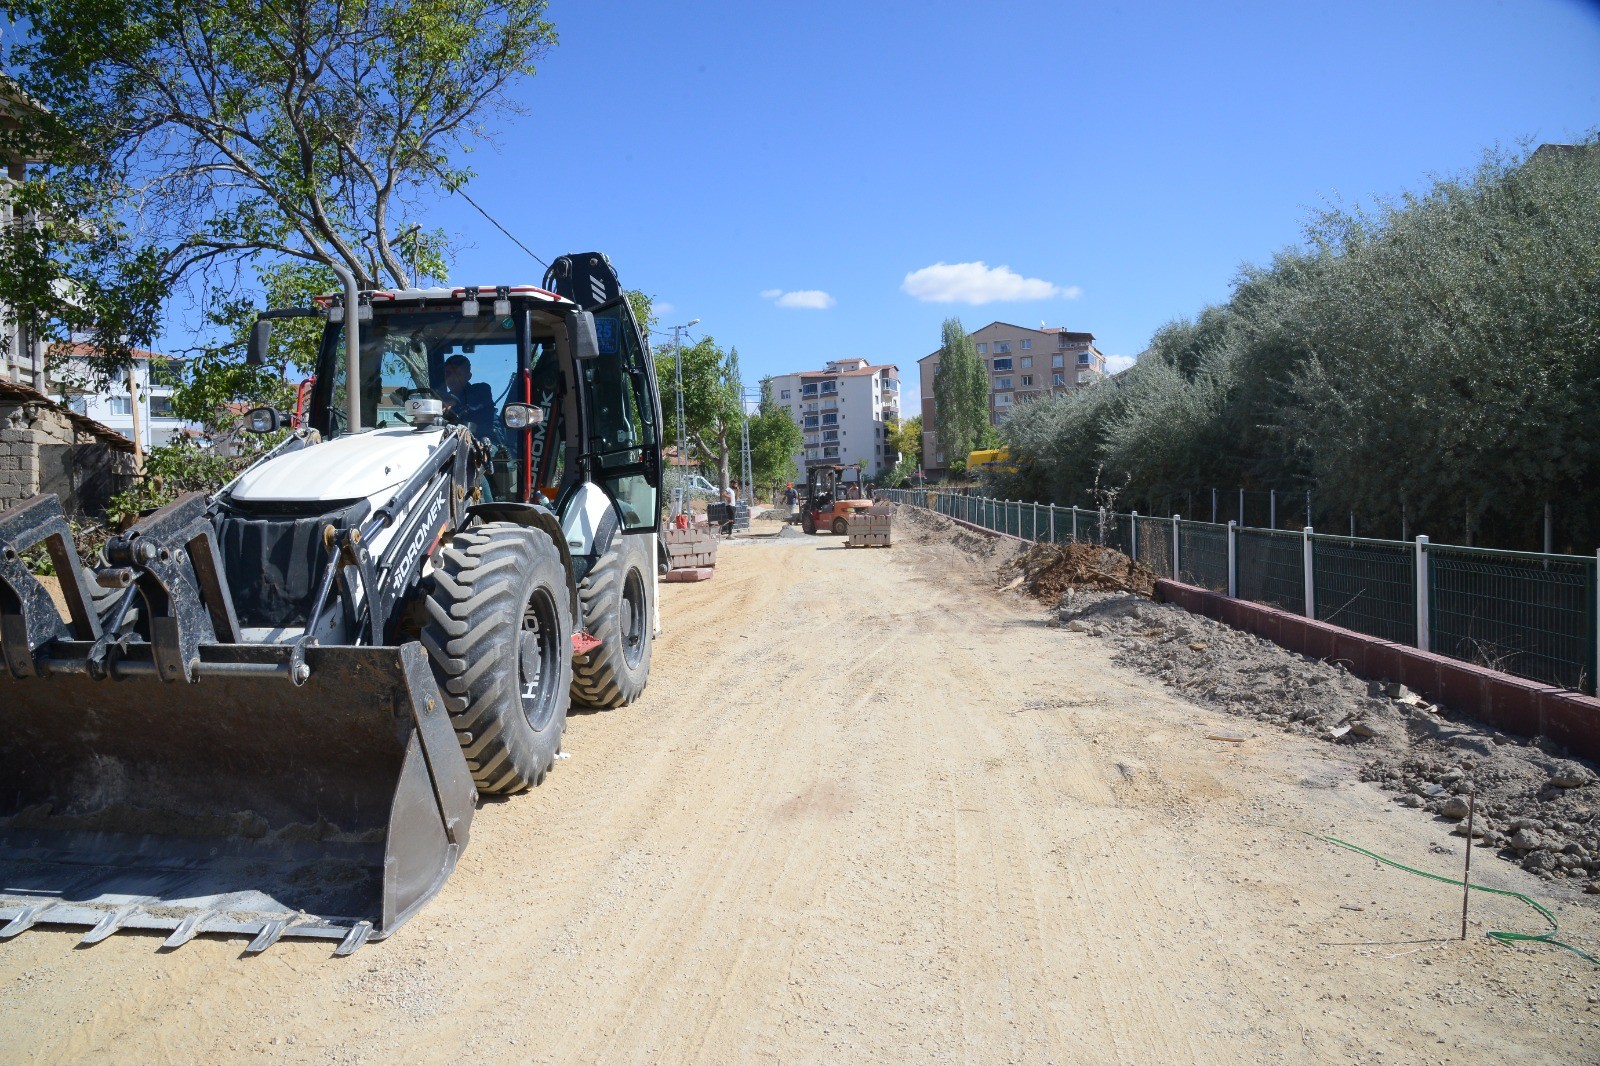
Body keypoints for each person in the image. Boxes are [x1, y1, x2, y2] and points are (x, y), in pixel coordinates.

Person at [438, 354, 497, 439]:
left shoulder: (481, 390)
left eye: (458, 374)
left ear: (468, 376)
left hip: (483, 440)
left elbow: (475, 407)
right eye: (448, 373)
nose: (452, 377)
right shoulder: (440, 399)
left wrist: (451, 408)